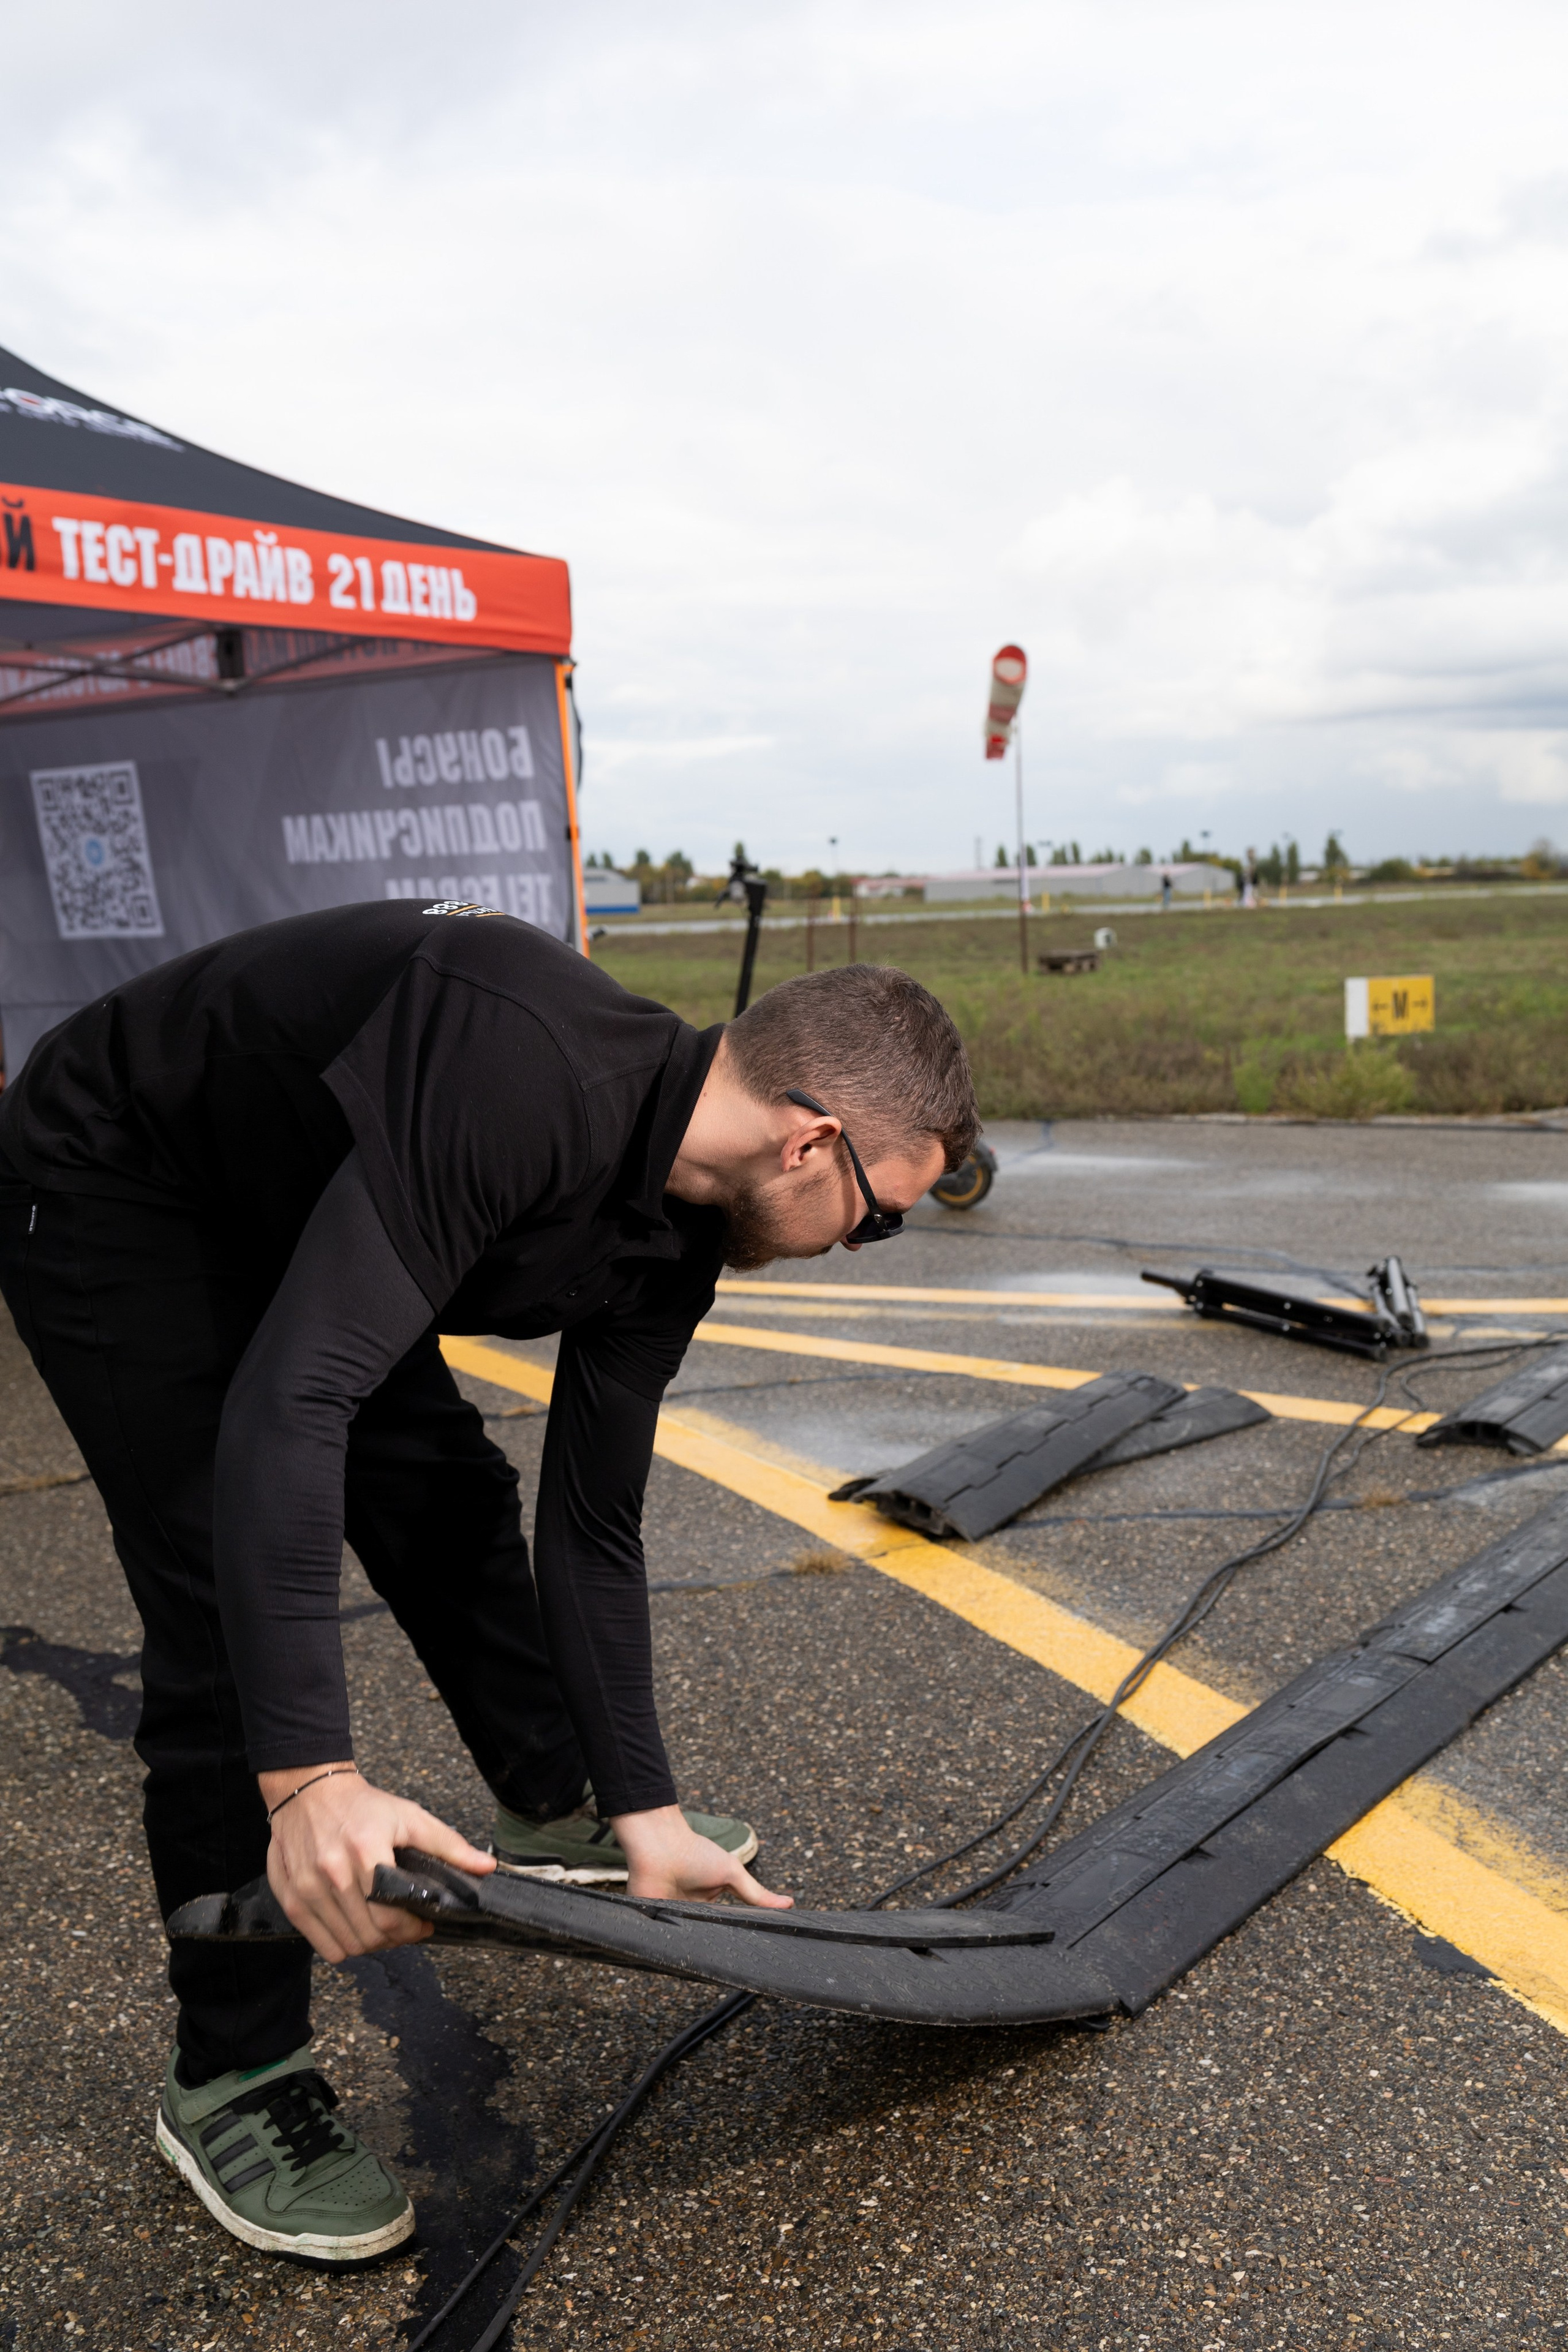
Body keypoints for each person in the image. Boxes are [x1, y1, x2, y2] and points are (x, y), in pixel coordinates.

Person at [0, 902, 977, 2266]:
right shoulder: (524, 1084)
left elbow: (593, 1523)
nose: (857, 1243)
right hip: (126, 1172)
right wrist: (311, 1782)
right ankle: (233, 2077)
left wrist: (645, 1807)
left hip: (309, 1193)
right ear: (810, 1142)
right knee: (223, 1604)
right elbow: (294, 1408)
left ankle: (556, 1800)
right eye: (876, 1220)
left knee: (451, 1499)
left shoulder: (680, 1222)